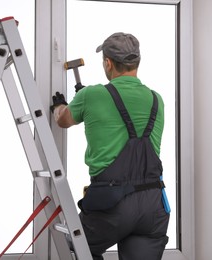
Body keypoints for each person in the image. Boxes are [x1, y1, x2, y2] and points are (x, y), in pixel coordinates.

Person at [51, 32, 169, 260]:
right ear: (137, 62)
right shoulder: (157, 99)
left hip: (112, 205)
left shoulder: (92, 95)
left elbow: (62, 120)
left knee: (75, 246)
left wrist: (60, 105)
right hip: (153, 207)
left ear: (108, 63)